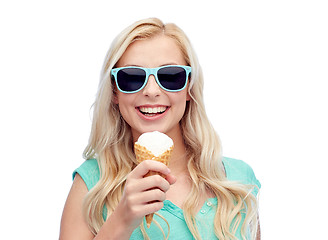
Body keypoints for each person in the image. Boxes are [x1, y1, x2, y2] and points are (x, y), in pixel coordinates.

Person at [59, 18, 261, 240]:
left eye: (171, 76)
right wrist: (121, 221)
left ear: (189, 88)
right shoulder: (91, 185)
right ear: (114, 92)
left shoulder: (238, 181)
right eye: (132, 78)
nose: (152, 91)